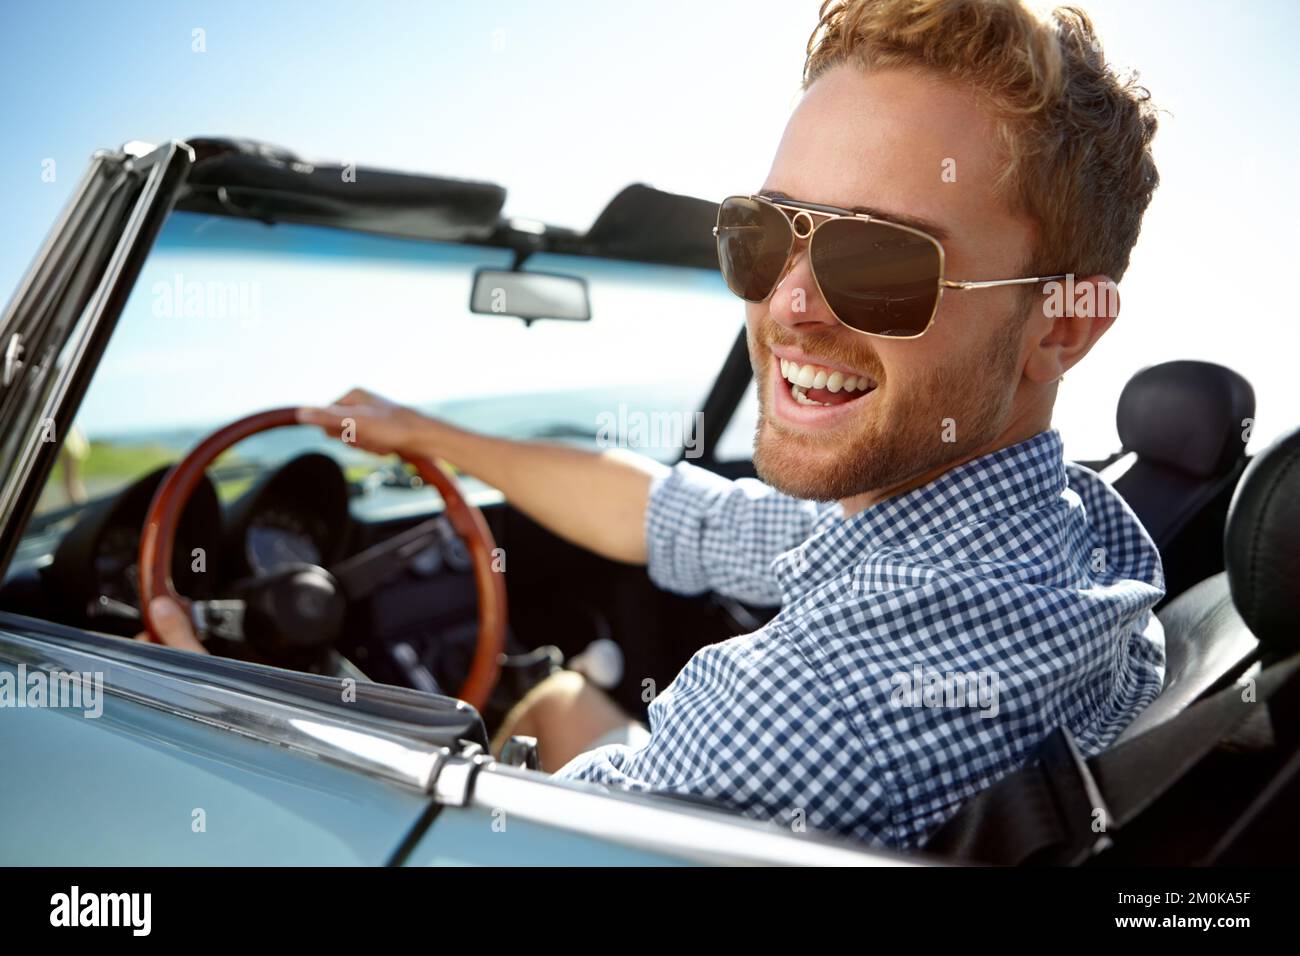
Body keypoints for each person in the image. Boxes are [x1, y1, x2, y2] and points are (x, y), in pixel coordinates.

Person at [145, 0, 1165, 849]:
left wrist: (205, 703)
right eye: (763, 234)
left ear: (1060, 327)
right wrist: (432, 433)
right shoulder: (1070, 526)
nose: (786, 305)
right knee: (545, 698)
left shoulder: (804, 709)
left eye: (882, 262)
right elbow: (685, 515)